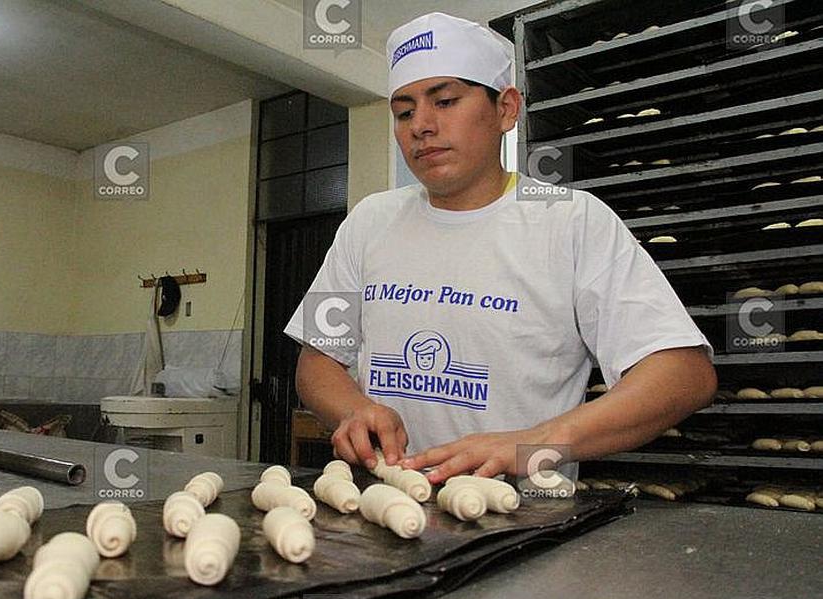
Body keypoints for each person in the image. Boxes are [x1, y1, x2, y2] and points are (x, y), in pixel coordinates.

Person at [283, 12, 717, 484]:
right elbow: (318, 359)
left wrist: (529, 444)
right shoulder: (370, 220)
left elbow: (683, 373)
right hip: (385, 500)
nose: (421, 126)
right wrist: (354, 409)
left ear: (506, 109)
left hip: (520, 517)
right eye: (404, 111)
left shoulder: (570, 220)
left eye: (445, 101)